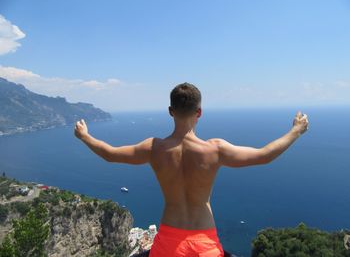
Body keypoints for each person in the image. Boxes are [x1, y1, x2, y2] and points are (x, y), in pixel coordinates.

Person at [74, 83, 309, 257]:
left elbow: (110, 154)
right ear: (199, 112)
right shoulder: (214, 149)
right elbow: (264, 155)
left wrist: (85, 136)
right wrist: (296, 131)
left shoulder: (154, 148)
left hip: (167, 242)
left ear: (170, 111)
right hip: (204, 242)